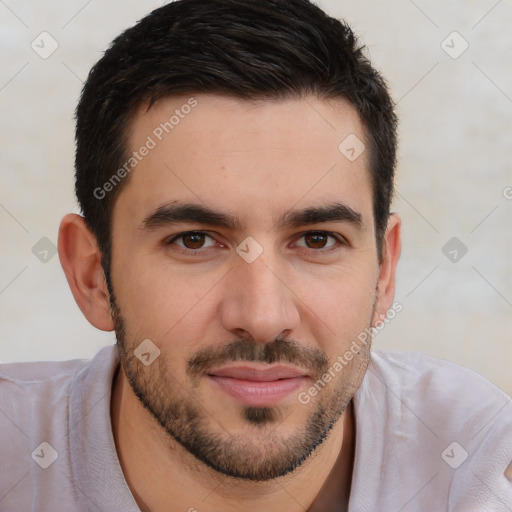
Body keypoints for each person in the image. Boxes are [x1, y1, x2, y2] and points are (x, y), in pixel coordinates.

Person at [0, 0, 511, 510]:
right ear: (93, 276)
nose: (264, 318)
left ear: (384, 272)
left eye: (317, 240)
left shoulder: (477, 466)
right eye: (194, 240)